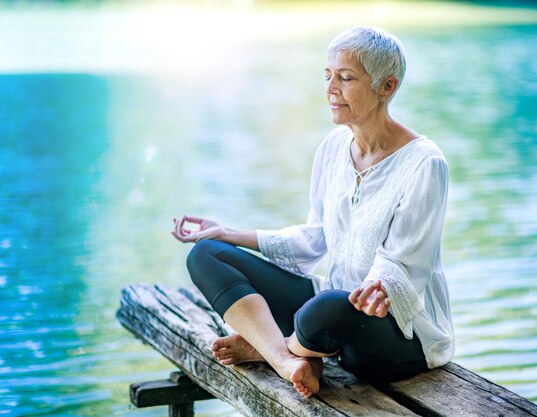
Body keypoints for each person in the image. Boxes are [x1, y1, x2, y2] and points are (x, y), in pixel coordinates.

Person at [171, 26, 454, 398]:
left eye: (346, 77)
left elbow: (406, 263)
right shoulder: (334, 147)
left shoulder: (424, 163)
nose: (331, 89)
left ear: (387, 87)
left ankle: (269, 346)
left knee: (323, 308)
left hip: (397, 335)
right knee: (207, 255)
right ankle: (288, 357)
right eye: (328, 76)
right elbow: (316, 237)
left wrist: (381, 287)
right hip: (333, 316)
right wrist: (228, 233)